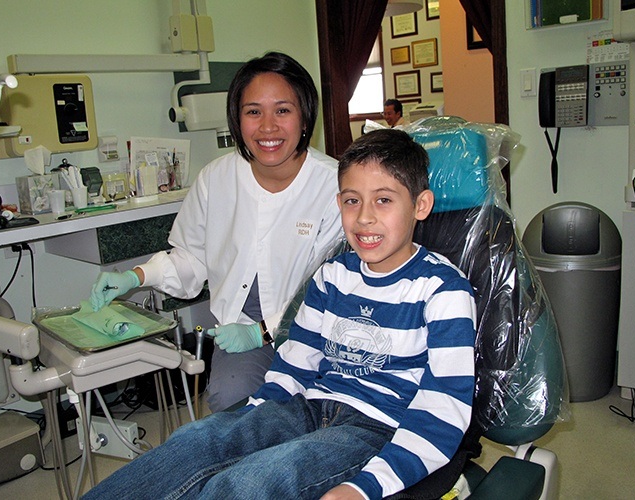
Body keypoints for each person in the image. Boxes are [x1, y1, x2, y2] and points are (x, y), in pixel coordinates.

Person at [83, 128, 476, 500]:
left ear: (420, 205)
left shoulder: (442, 291)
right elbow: (294, 365)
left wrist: (368, 486)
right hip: (310, 407)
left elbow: (443, 410)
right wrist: (248, 422)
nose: (364, 217)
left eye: (384, 200)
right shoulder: (332, 277)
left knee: (247, 484)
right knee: (195, 443)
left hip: (378, 426)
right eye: (352, 200)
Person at [89, 52, 343, 412]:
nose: (267, 127)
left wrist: (264, 332)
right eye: (253, 112)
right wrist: (136, 276)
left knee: (315, 410)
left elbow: (334, 288)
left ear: (305, 117)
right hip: (241, 322)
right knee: (230, 398)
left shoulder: (333, 185)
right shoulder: (216, 178)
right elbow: (192, 258)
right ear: (237, 121)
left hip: (316, 325)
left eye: (282, 111)